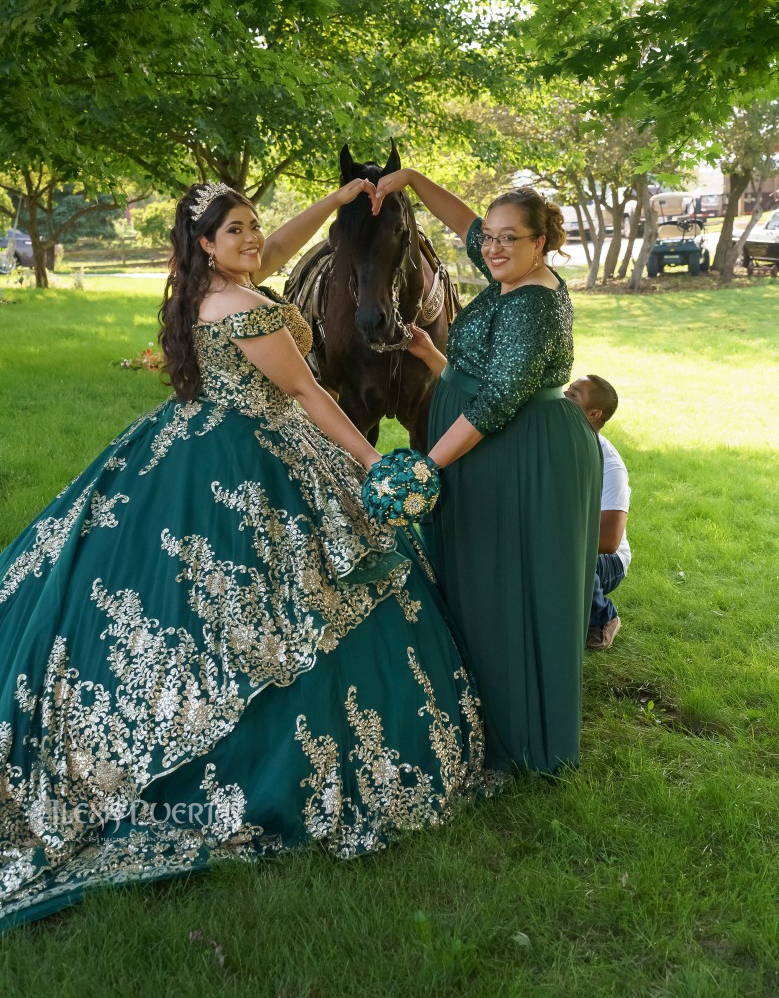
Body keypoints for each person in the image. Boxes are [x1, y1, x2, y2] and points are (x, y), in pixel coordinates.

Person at [0, 180, 484, 933]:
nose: (255, 238)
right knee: (276, 598)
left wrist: (335, 200)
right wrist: (375, 465)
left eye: (254, 225)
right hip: (254, 454)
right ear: (206, 244)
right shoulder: (239, 306)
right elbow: (309, 394)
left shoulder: (204, 288)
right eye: (236, 230)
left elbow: (280, 249)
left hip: (192, 437)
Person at [371, 173, 602, 775]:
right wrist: (411, 180)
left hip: (515, 451)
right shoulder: (511, 272)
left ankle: (519, 733)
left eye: (508, 238)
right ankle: (474, 706)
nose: (491, 247)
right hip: (483, 447)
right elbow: (462, 222)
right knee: (476, 575)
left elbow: (498, 401)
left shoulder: (534, 305)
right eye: (489, 236)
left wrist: (426, 466)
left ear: (540, 244)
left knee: (506, 582)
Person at [564, 375, 631, 650]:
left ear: (594, 414)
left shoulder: (610, 465)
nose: (563, 396)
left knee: (564, 556)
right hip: (562, 541)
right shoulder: (553, 441)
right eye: (567, 389)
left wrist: (551, 537)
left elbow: (609, 541)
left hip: (605, 560)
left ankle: (603, 617)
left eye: (573, 395)